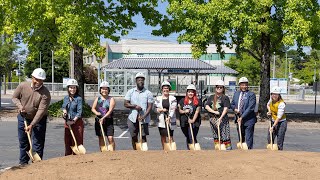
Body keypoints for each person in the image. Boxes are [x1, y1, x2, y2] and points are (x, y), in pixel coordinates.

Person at [12, 68, 51, 165]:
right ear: (32, 77)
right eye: (37, 79)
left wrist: (32, 124)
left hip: (39, 119)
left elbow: (41, 111)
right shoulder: (23, 86)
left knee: (38, 142)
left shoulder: (45, 93)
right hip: (23, 117)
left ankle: (37, 164)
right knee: (23, 141)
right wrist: (21, 107)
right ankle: (23, 163)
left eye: (41, 80)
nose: (39, 82)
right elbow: (14, 97)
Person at [124, 72, 153, 150]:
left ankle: (144, 152)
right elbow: (126, 104)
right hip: (132, 118)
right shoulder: (130, 92)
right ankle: (135, 151)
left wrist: (144, 116)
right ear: (136, 81)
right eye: (139, 80)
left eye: (142, 80)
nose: (140, 81)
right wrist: (134, 106)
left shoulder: (148, 93)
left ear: (144, 81)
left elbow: (150, 107)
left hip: (144, 118)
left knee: (143, 136)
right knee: (133, 136)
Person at [231, 77, 257, 149]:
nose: (244, 86)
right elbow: (232, 104)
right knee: (241, 137)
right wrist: (235, 109)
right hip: (238, 119)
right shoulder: (236, 93)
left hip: (249, 120)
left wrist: (242, 117)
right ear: (239, 85)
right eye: (242, 85)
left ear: (248, 85)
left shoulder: (251, 95)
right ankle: (242, 154)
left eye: (245, 85)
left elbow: (251, 108)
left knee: (248, 138)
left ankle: (249, 152)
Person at [205, 80, 232, 150]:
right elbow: (206, 106)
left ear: (223, 89)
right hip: (213, 119)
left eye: (221, 87)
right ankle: (218, 150)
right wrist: (214, 112)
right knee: (216, 136)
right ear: (215, 88)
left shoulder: (225, 98)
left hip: (222, 119)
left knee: (224, 135)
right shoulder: (211, 97)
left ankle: (228, 150)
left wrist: (220, 118)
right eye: (217, 87)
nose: (219, 89)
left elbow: (225, 109)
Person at [91, 81, 116, 151]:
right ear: (100, 90)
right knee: (101, 137)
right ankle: (103, 153)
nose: (104, 90)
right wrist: (97, 113)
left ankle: (113, 152)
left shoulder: (111, 99)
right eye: (102, 89)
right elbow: (93, 108)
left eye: (106, 89)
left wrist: (103, 118)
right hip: (99, 121)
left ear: (108, 90)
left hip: (108, 121)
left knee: (110, 137)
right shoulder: (98, 99)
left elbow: (110, 111)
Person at [62, 79, 84, 156]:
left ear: (76, 88)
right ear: (68, 88)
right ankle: (67, 157)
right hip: (67, 122)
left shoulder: (79, 99)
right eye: (71, 87)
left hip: (77, 123)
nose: (72, 89)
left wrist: (73, 121)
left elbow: (79, 112)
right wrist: (64, 113)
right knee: (67, 141)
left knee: (77, 141)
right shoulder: (66, 98)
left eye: (74, 87)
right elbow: (64, 107)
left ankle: (77, 159)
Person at [154, 81, 177, 149]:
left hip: (170, 119)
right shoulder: (158, 98)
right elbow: (155, 109)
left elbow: (173, 109)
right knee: (163, 135)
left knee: (170, 135)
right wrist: (161, 110)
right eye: (164, 88)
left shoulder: (173, 98)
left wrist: (169, 117)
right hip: (161, 120)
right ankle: (164, 148)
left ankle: (172, 149)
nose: (166, 89)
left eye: (167, 88)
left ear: (169, 89)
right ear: (162, 89)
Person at [178, 84, 202, 149]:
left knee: (192, 136)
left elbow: (197, 111)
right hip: (184, 122)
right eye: (189, 92)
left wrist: (192, 120)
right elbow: (179, 110)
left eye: (192, 92)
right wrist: (184, 111)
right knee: (188, 136)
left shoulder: (197, 101)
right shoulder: (182, 100)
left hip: (195, 122)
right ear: (187, 92)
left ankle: (194, 149)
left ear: (194, 92)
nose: (190, 93)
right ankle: (189, 149)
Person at [267, 86, 287, 150]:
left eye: (276, 94)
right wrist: (269, 111)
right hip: (272, 121)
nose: (274, 96)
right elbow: (268, 105)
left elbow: (278, 117)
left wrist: (273, 127)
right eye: (273, 94)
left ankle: (279, 153)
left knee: (279, 140)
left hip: (281, 123)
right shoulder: (271, 100)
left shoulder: (282, 104)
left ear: (279, 95)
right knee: (269, 138)